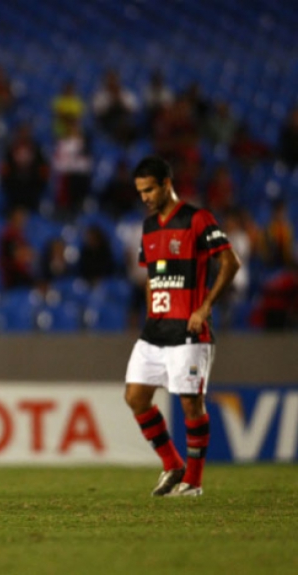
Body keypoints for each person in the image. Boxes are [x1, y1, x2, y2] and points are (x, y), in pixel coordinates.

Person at [123, 157, 240, 498]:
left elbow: (231, 261)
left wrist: (205, 307)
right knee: (135, 398)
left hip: (189, 331)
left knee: (191, 403)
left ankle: (195, 482)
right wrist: (149, 312)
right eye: (140, 191)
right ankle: (173, 464)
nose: (144, 197)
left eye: (149, 189)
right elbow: (151, 277)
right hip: (156, 330)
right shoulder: (148, 228)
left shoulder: (197, 218)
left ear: (165, 184)